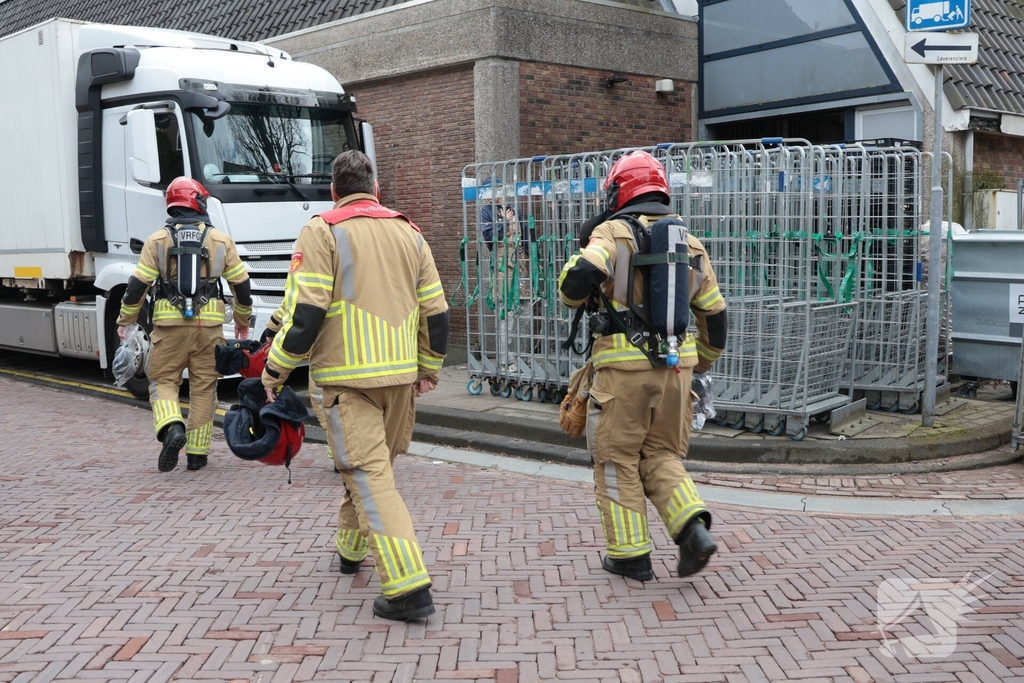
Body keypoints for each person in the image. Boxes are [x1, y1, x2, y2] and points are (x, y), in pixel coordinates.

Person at [261, 150, 448, 621]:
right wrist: (429, 367)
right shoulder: (411, 232)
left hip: (347, 380)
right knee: (369, 469)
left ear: (333, 192)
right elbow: (438, 312)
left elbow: (305, 316)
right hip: (401, 381)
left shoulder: (321, 230)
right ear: (377, 190)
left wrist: (274, 370)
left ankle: (407, 587)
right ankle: (349, 552)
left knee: (368, 475)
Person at [558, 150, 728, 581]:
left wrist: (575, 289)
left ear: (618, 190)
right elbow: (715, 315)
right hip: (677, 371)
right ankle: (692, 530)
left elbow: (576, 283)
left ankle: (630, 556)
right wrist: (701, 365)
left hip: (623, 374)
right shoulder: (690, 243)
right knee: (661, 454)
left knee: (616, 461)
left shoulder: (612, 232)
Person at [117, 177, 252, 472]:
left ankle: (171, 427)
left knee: (163, 381)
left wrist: (125, 321)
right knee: (205, 387)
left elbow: (137, 286)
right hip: (209, 329)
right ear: (199, 202)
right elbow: (241, 285)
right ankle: (197, 455)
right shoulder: (220, 240)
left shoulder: (157, 240)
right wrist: (242, 321)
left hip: (168, 329)